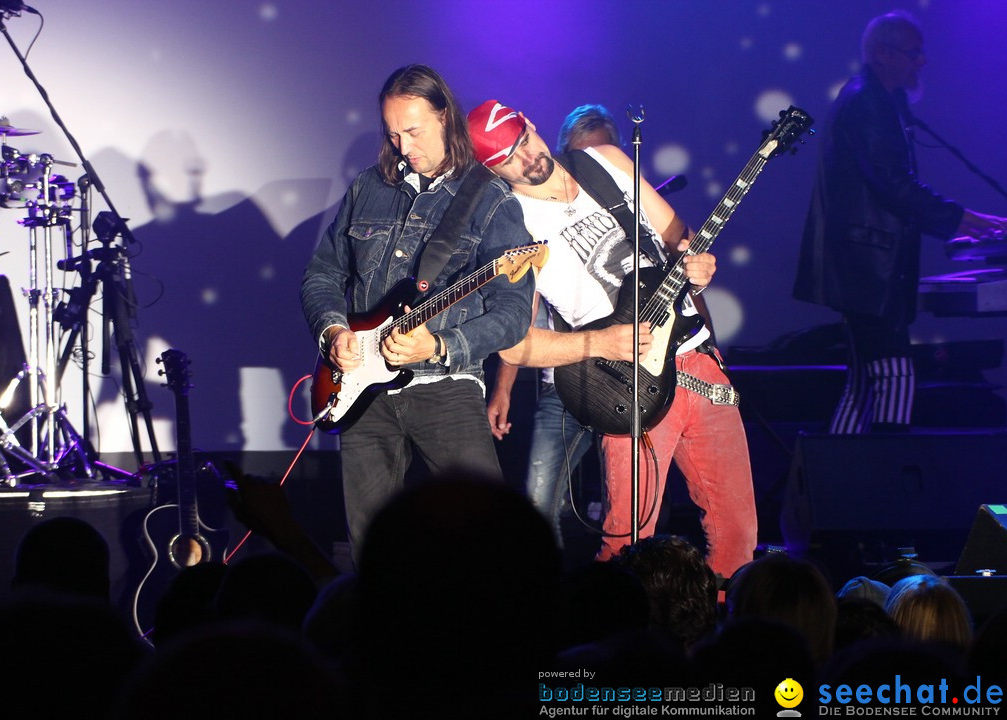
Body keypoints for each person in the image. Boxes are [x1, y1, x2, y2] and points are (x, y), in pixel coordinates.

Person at [467, 99, 757, 580]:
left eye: (524, 141)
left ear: (532, 125)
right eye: (507, 160)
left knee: (738, 535)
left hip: (698, 363)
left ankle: (718, 644)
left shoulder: (606, 161)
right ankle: (609, 647)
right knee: (628, 543)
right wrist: (599, 344)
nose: (526, 158)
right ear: (490, 171)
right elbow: (515, 344)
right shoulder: (511, 227)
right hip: (627, 383)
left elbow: (677, 239)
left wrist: (698, 271)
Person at [301, 66, 535, 559]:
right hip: (362, 392)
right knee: (372, 550)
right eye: (392, 134)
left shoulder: (489, 199)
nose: (403, 146)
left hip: (446, 389)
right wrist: (334, 329)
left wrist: (443, 345)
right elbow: (322, 275)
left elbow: (514, 314)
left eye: (413, 131)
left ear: (444, 116)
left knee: (488, 540)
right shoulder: (368, 188)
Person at [793, 11, 1007, 434]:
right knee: (895, 377)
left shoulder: (872, 100)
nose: (922, 62)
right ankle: (885, 481)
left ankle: (844, 488)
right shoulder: (866, 103)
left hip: (861, 269)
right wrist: (959, 219)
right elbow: (893, 184)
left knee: (862, 386)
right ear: (883, 54)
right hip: (868, 270)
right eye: (914, 53)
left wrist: (960, 220)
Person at [486, 104, 621, 546]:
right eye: (583, 153)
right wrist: (503, 389)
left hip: (635, 377)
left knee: (628, 510)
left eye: (603, 151)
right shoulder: (527, 218)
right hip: (564, 385)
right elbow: (522, 315)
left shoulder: (614, 194)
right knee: (539, 507)